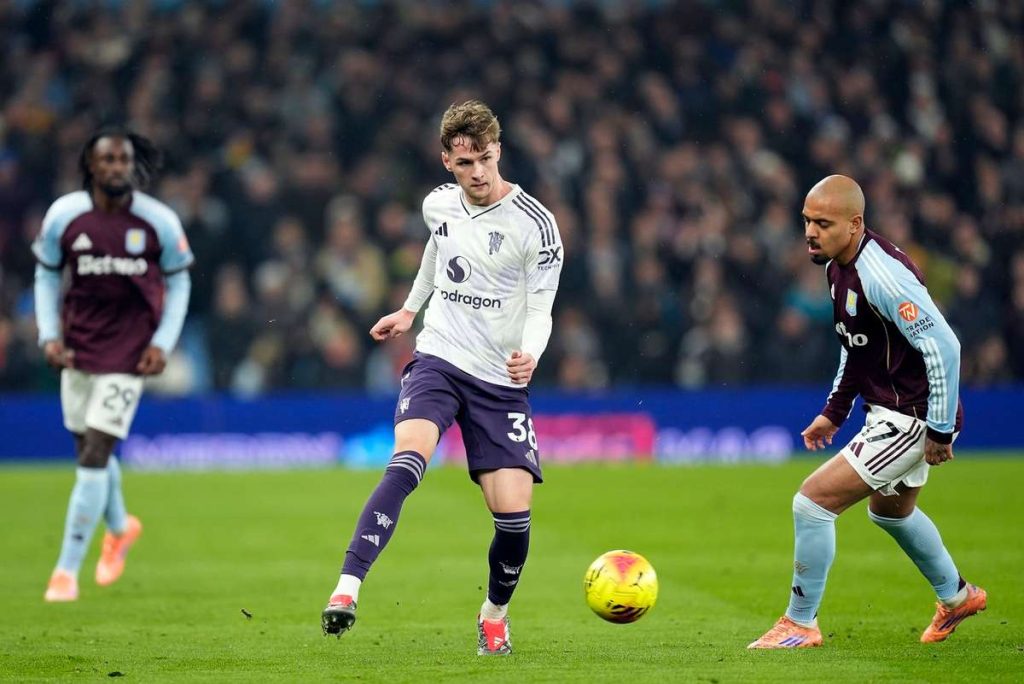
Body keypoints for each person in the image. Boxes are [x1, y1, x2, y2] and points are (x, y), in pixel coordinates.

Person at [320, 100, 562, 656]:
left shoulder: (537, 226)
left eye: (484, 158)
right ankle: (346, 590)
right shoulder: (438, 205)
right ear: (446, 161)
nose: (476, 172)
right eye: (464, 163)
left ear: (498, 151)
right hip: (439, 359)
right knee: (406, 461)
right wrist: (409, 311)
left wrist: (531, 353)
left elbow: (542, 307)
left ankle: (494, 614)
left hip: (500, 381)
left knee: (515, 524)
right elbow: (438, 249)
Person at [748, 175, 986, 649]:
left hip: (913, 417)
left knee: (812, 502)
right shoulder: (838, 266)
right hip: (892, 412)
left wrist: (939, 428)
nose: (810, 233)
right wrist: (835, 412)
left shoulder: (882, 274)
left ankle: (799, 624)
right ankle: (957, 597)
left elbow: (945, 345)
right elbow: (855, 348)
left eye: (822, 223)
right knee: (891, 513)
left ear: (855, 224)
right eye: (806, 222)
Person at [33, 128, 193, 602]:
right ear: (91, 166)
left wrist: (162, 342)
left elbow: (180, 281)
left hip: (129, 354)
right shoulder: (65, 216)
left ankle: (65, 572)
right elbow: (45, 274)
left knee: (94, 454)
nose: (117, 167)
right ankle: (121, 527)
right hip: (78, 348)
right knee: (89, 448)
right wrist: (49, 334)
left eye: (124, 160)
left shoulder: (157, 221)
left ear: (133, 165)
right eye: (107, 160)